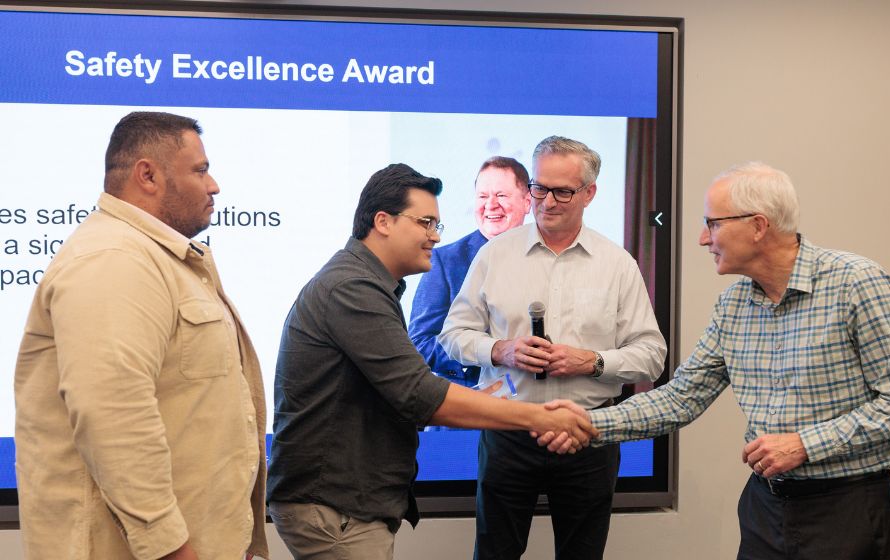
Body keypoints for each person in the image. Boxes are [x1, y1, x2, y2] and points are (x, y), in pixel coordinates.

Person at [542, 161, 890, 559]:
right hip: (764, 509)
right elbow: (681, 398)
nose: (702, 239)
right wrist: (588, 422)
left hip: (847, 509)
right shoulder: (733, 305)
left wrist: (805, 445)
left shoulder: (857, 283)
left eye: (712, 224)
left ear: (758, 226)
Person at [265, 163, 596, 560]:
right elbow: (418, 392)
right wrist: (539, 416)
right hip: (336, 505)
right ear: (383, 222)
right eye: (425, 223)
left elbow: (396, 387)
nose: (435, 236)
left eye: (437, 224)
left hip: (348, 503)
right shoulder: (352, 288)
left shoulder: (366, 284)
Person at [14, 112, 268, 560]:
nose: (213, 186)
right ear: (147, 175)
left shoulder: (154, 257)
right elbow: (113, 416)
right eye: (200, 170)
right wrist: (170, 548)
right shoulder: (114, 258)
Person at [439, 136, 667, 560]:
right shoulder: (494, 255)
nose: (547, 201)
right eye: (539, 188)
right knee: (494, 553)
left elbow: (652, 354)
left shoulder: (617, 264)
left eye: (562, 191)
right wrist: (501, 350)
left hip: (588, 433)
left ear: (589, 193)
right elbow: (452, 335)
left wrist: (593, 362)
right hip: (509, 430)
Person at [409, 156, 531, 387]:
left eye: (501, 195)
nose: (491, 205)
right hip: (470, 399)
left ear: (527, 202)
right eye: (483, 196)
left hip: (539, 398)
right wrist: (490, 352)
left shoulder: (547, 257)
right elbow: (419, 343)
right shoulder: (445, 261)